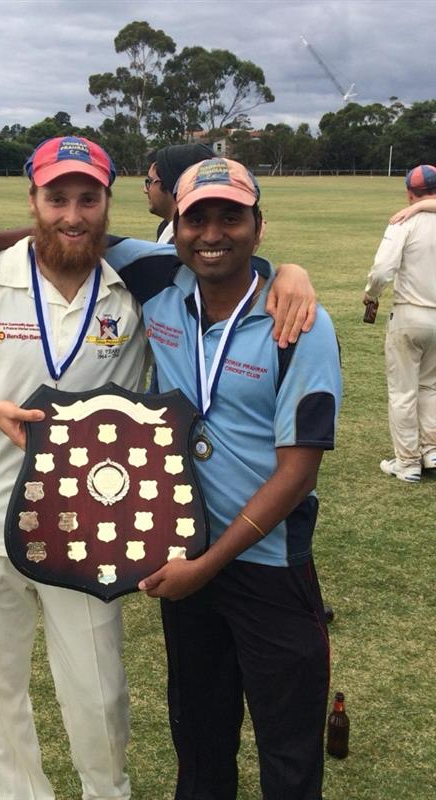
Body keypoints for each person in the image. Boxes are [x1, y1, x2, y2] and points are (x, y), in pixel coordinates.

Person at [0, 136, 315, 800]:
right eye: (56, 198)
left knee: (101, 699)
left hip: (91, 528)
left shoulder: (141, 277)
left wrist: (291, 269)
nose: (72, 214)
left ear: (107, 203)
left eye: (88, 198)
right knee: (0, 701)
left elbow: (224, 258)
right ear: (33, 200)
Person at [134, 158, 342, 799]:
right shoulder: (157, 289)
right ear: (174, 223)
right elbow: (64, 233)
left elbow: (298, 472)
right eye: (197, 217)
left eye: (232, 215)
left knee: (288, 750)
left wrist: (210, 564)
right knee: (199, 744)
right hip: (185, 555)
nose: (213, 232)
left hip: (267, 566)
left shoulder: (298, 322)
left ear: (259, 225)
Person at [364, 163, 436, 482]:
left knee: (403, 391)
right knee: (430, 386)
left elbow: (381, 271)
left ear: (410, 193)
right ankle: (432, 451)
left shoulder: (402, 221)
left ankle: (407, 463)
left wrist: (371, 295)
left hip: (409, 314)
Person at [145, 144, 215, 242]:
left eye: (149, 181)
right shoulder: (165, 229)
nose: (145, 189)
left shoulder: (184, 243)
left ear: (168, 183)